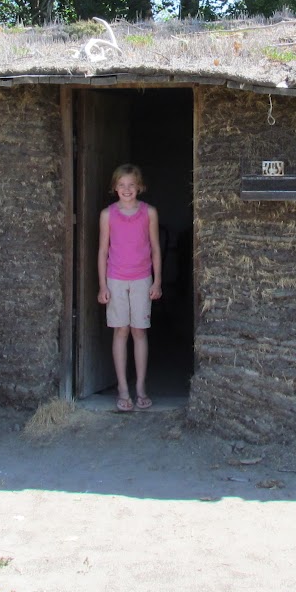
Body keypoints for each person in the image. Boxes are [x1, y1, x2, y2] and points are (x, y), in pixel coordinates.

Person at [98, 163, 161, 411]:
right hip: (115, 278)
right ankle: (123, 388)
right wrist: (102, 284)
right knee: (121, 331)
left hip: (142, 277)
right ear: (114, 188)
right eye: (122, 185)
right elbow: (103, 250)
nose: (127, 189)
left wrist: (157, 280)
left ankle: (141, 387)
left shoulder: (149, 213)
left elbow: (155, 248)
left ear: (140, 187)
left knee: (139, 331)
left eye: (131, 185)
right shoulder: (107, 215)